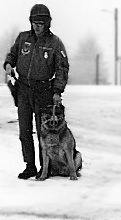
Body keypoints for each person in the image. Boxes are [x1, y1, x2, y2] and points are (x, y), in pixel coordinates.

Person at [3, 4, 69, 179]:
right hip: (23, 89)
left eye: (40, 22)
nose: (37, 25)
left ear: (47, 23)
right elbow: (12, 55)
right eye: (34, 22)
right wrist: (9, 64)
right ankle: (29, 166)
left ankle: (44, 168)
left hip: (44, 91)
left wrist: (57, 91)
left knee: (43, 132)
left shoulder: (55, 43)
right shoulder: (23, 38)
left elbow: (62, 68)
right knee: (24, 131)